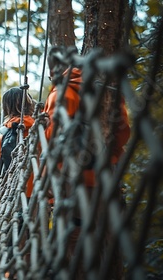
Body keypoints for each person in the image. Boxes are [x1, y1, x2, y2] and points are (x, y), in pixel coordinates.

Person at [43, 46, 131, 277]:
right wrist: (111, 155)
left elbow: (52, 139)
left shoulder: (60, 95)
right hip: (106, 176)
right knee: (104, 236)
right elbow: (124, 133)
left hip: (73, 180)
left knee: (74, 238)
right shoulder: (109, 92)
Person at [0, 87, 35, 196]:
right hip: (42, 194)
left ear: (5, 108)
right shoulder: (42, 131)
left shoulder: (3, 138)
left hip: (16, 197)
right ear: (30, 104)